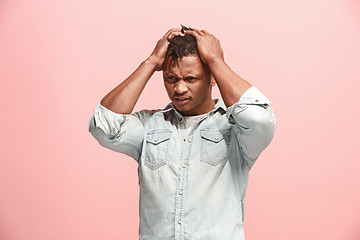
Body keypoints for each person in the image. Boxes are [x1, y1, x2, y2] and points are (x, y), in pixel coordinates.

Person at [88, 26, 276, 240]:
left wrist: (216, 61)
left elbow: (259, 118)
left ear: (212, 78)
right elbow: (102, 126)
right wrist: (150, 63)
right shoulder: (149, 126)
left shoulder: (235, 129)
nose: (179, 89)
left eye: (191, 79)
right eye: (171, 79)